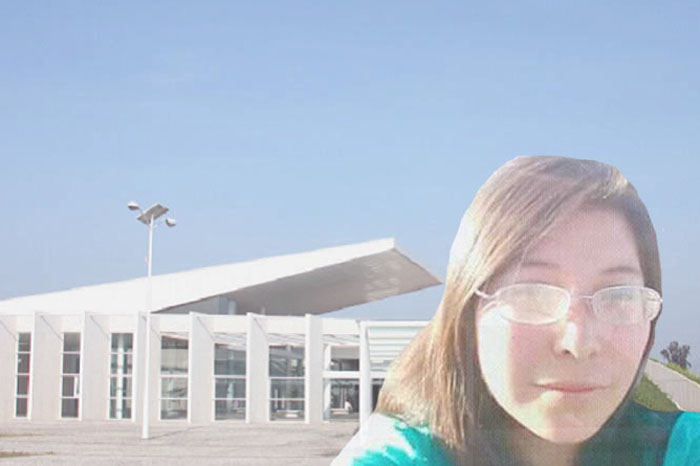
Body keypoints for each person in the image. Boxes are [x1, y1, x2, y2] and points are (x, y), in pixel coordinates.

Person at [332, 156, 700, 465]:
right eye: (531, 294)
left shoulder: (681, 450)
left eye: (618, 297)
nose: (578, 342)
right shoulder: (397, 455)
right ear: (467, 313)